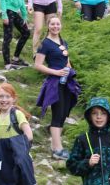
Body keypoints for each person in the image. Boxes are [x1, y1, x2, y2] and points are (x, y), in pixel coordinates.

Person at [34, 16, 81, 160]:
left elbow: (66, 60)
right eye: (52, 24)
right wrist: (56, 72)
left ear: (61, 25)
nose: (55, 26)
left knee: (63, 113)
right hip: (54, 83)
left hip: (66, 82)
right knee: (57, 113)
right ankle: (58, 150)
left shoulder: (63, 42)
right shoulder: (44, 44)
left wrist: (69, 70)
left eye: (58, 24)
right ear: (48, 26)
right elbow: (38, 65)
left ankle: (55, 146)